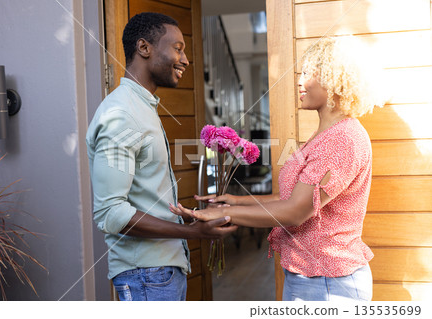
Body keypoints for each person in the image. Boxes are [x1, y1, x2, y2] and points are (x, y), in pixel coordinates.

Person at [170, 37, 386, 301]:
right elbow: (293, 198)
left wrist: (226, 213)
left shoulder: (342, 139)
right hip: (314, 278)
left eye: (308, 73)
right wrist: (236, 201)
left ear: (334, 80)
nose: (299, 80)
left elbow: (295, 211)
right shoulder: (326, 134)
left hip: (328, 282)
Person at [86, 12, 237, 301]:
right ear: (144, 48)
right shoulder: (122, 115)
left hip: (158, 273)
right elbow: (111, 213)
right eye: (178, 48)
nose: (186, 60)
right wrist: (194, 233)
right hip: (146, 274)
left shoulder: (141, 108)